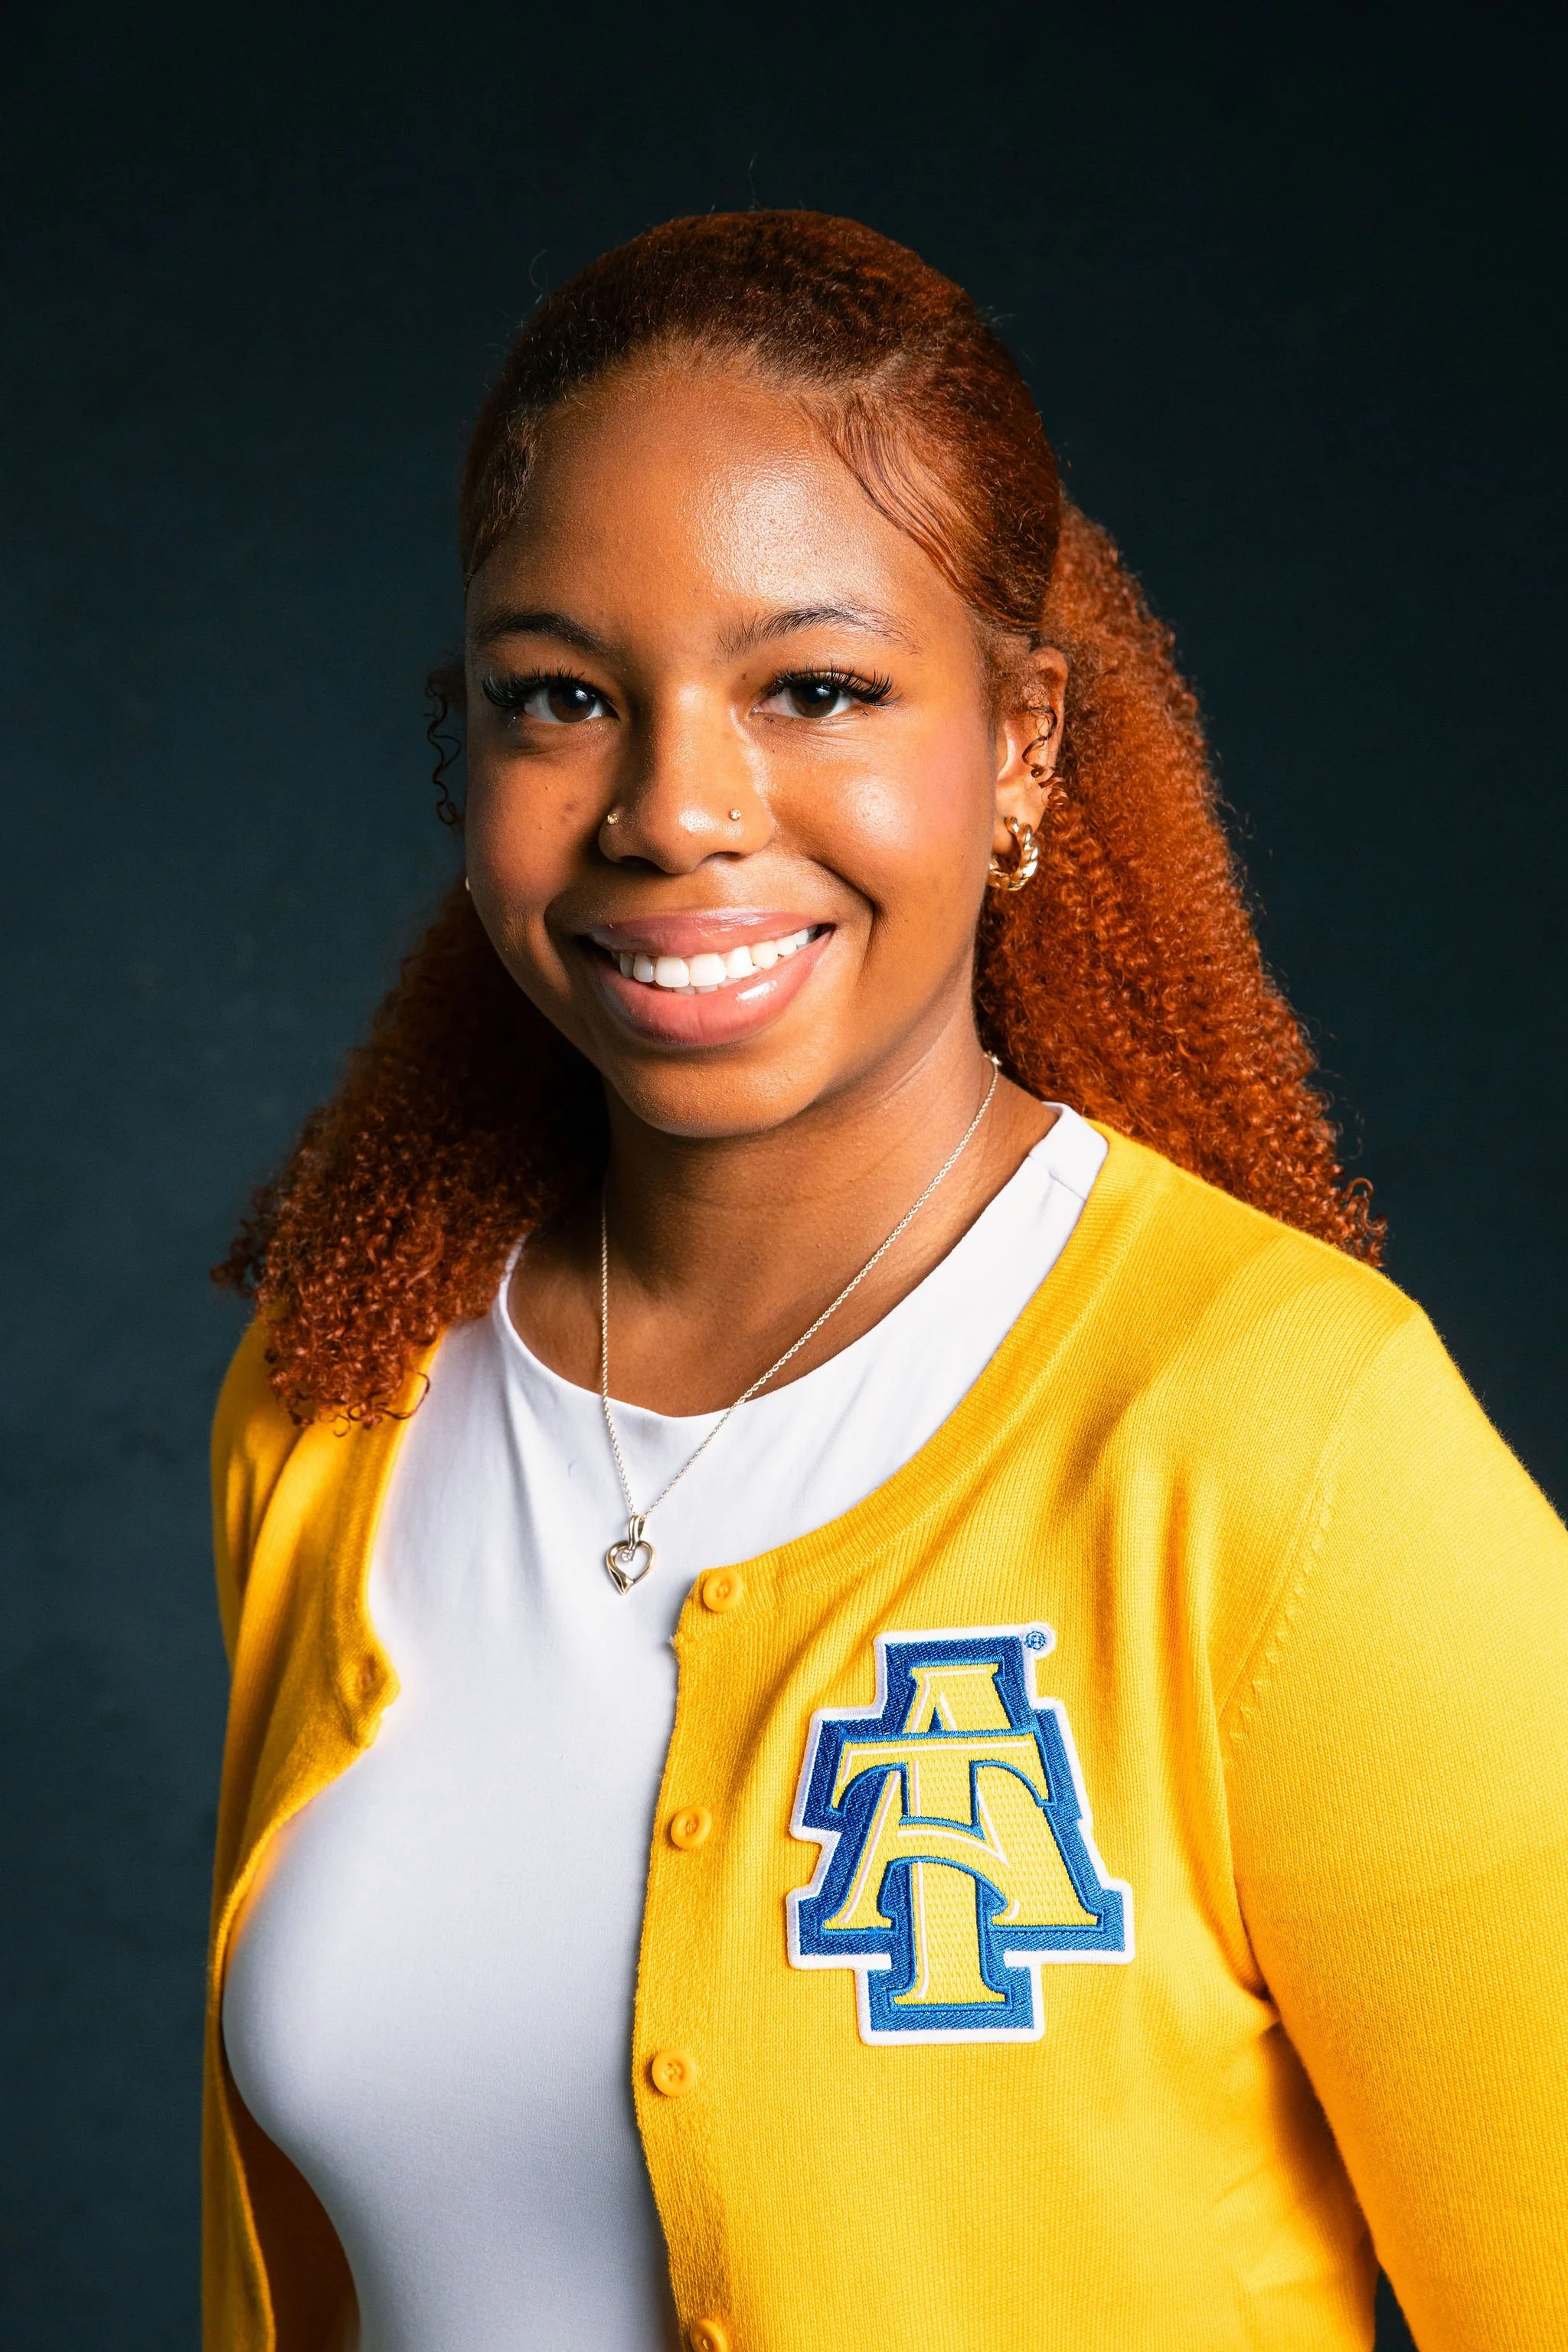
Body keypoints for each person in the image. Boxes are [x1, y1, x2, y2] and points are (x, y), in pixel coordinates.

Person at [204, 212, 1568, 2352]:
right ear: (463, 745)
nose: (677, 806)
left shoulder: (1286, 1451)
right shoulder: (339, 1398)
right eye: (563, 696)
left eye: (815, 686)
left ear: (1021, 739)